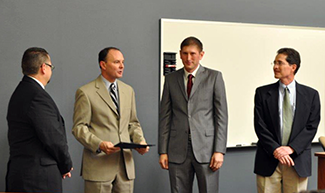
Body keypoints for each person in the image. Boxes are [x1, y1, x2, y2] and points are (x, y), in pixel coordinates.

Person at [72, 47, 149, 193]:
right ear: (103, 64)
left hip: (125, 168)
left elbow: (133, 123)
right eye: (116, 62)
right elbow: (79, 128)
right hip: (98, 167)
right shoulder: (85, 92)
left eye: (123, 62)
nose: (122, 66)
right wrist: (99, 144)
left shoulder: (128, 91)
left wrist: (140, 141)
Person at [159, 36, 228, 193]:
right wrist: (163, 151)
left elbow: (221, 116)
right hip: (177, 149)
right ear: (180, 54)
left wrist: (219, 150)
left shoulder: (214, 77)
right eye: (184, 53)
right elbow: (165, 117)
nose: (188, 58)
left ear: (201, 54)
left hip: (207, 149)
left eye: (192, 53)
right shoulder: (171, 79)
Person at [6, 47, 73, 193]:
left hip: (21, 175)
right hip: (38, 180)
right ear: (44, 68)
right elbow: (53, 137)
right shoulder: (37, 96)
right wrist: (66, 165)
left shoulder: (19, 93)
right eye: (51, 66)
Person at [254, 48, 321, 193]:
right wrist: (277, 150)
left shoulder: (311, 95)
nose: (275, 66)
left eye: (280, 63)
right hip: (268, 158)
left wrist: (291, 149)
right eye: (274, 62)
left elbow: (311, 127)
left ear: (293, 67)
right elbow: (260, 125)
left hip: (297, 160)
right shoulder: (262, 93)